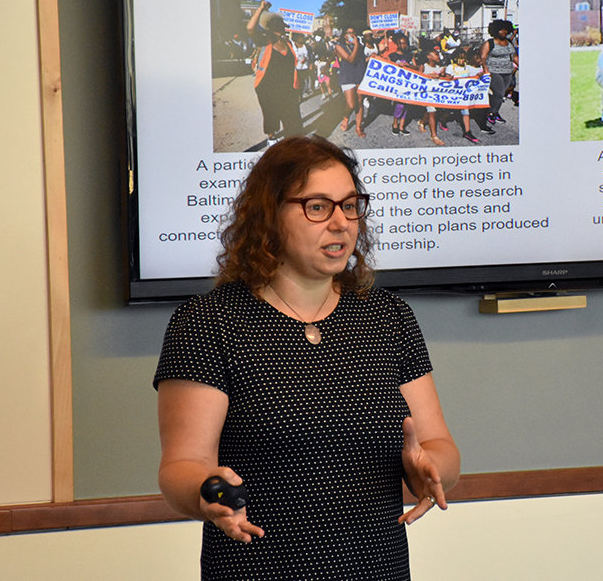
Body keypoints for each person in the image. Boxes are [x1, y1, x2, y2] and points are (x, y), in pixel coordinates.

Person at [155, 136, 460, 580]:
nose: (341, 223)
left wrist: (433, 470)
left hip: (377, 569)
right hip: (258, 569)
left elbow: (439, 450)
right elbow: (181, 468)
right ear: (269, 216)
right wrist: (207, 491)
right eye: (318, 207)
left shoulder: (388, 317)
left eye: (350, 205)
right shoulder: (208, 323)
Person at [246, 1, 303, 148]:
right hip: (267, 87)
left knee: (292, 119)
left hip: (287, 88)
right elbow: (250, 28)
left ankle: (292, 142)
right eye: (277, 27)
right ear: (270, 29)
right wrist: (261, 8)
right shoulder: (265, 41)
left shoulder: (288, 43)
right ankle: (271, 138)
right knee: (271, 115)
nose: (281, 30)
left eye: (282, 27)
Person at [479, 19, 518, 126]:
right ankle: (491, 113)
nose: (504, 32)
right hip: (494, 72)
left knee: (501, 94)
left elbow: (514, 56)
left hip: (508, 72)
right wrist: (486, 69)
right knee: (499, 93)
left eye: (506, 30)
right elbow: (483, 57)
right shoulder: (489, 43)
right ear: (495, 30)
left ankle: (493, 111)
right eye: (501, 30)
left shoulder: (509, 43)